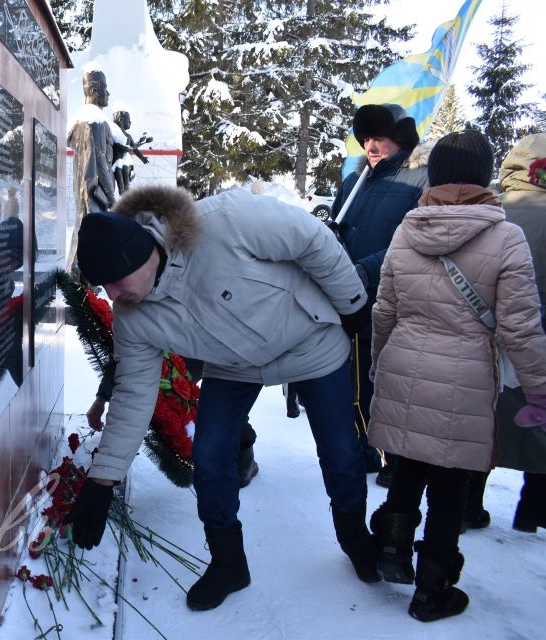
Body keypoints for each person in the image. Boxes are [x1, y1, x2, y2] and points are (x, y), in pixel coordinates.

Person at [65, 184, 378, 612]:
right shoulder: (134, 318)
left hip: (310, 343)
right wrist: (102, 483)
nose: (112, 296)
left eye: (115, 282)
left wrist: (354, 304)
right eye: (104, 287)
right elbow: (134, 395)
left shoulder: (226, 221)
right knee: (210, 457)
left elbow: (310, 238)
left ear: (140, 257)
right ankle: (228, 563)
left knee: (342, 453)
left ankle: (356, 539)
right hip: (233, 366)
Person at [365, 130, 546, 622]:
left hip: (405, 361)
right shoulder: (507, 236)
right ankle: (433, 588)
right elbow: (521, 326)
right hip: (466, 375)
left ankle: (392, 552)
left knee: (407, 465)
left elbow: (386, 309)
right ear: (485, 175)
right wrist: (539, 389)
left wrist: (381, 362)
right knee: (450, 484)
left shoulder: (407, 228)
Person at [330, 103, 430, 484]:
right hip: (351, 301)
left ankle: (400, 461)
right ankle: (364, 450)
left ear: (400, 139)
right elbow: (336, 232)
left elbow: (415, 240)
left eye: (381, 138)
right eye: (366, 138)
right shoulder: (354, 182)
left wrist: (364, 269)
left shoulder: (420, 180)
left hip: (398, 301)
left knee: (395, 384)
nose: (371, 146)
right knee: (354, 384)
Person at [479, 133, 546, 534]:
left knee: (487, 419)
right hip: (539, 338)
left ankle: (469, 502)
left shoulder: (493, 211)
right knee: (539, 426)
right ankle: (532, 512)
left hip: (490, 339)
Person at [88, 356, 260, 488]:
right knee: (168, 391)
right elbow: (128, 355)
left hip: (224, 339)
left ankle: (245, 456)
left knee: (224, 405)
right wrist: (101, 398)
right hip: (180, 339)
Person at [67, 69, 115, 271]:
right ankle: (81, 282)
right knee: (89, 235)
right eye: (105, 88)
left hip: (87, 189)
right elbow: (99, 161)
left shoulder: (83, 120)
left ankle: (80, 280)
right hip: (93, 192)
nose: (108, 94)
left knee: (84, 231)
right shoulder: (93, 122)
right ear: (94, 90)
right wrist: (110, 194)